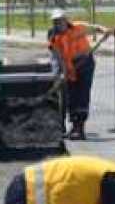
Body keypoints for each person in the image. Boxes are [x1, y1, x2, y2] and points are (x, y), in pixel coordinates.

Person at [47, 9, 109, 140]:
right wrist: (63, 72)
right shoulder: (54, 38)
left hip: (85, 63)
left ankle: (80, 128)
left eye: (60, 21)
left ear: (66, 20)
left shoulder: (78, 27)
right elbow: (59, 58)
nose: (58, 24)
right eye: (55, 22)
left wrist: (104, 30)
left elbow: (96, 28)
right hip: (70, 67)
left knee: (82, 95)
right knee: (71, 96)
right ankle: (74, 125)